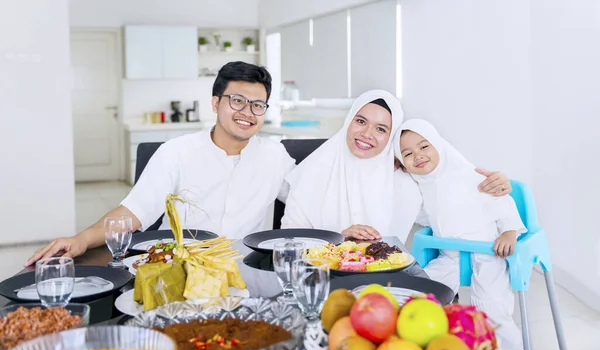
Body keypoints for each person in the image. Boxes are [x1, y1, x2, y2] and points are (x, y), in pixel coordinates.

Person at [26, 61, 296, 266]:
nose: (247, 112)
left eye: (258, 105)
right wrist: (81, 240)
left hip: (248, 272)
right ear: (215, 103)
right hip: (179, 269)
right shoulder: (176, 152)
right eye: (237, 101)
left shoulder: (275, 156)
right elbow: (133, 212)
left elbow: (309, 198)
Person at [281, 90, 513, 243]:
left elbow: (449, 210)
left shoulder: (403, 177)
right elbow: (288, 240)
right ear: (348, 122)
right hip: (321, 277)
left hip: (386, 279)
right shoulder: (313, 171)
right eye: (361, 121)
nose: (367, 134)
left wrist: (492, 188)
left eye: (381, 129)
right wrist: (338, 238)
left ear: (391, 136)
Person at [396, 118, 533, 350]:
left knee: (491, 309)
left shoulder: (469, 175)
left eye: (424, 146)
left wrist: (509, 232)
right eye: (408, 153)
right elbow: (425, 215)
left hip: (489, 253)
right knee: (422, 292)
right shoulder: (421, 186)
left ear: (438, 144)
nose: (418, 155)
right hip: (450, 256)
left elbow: (502, 202)